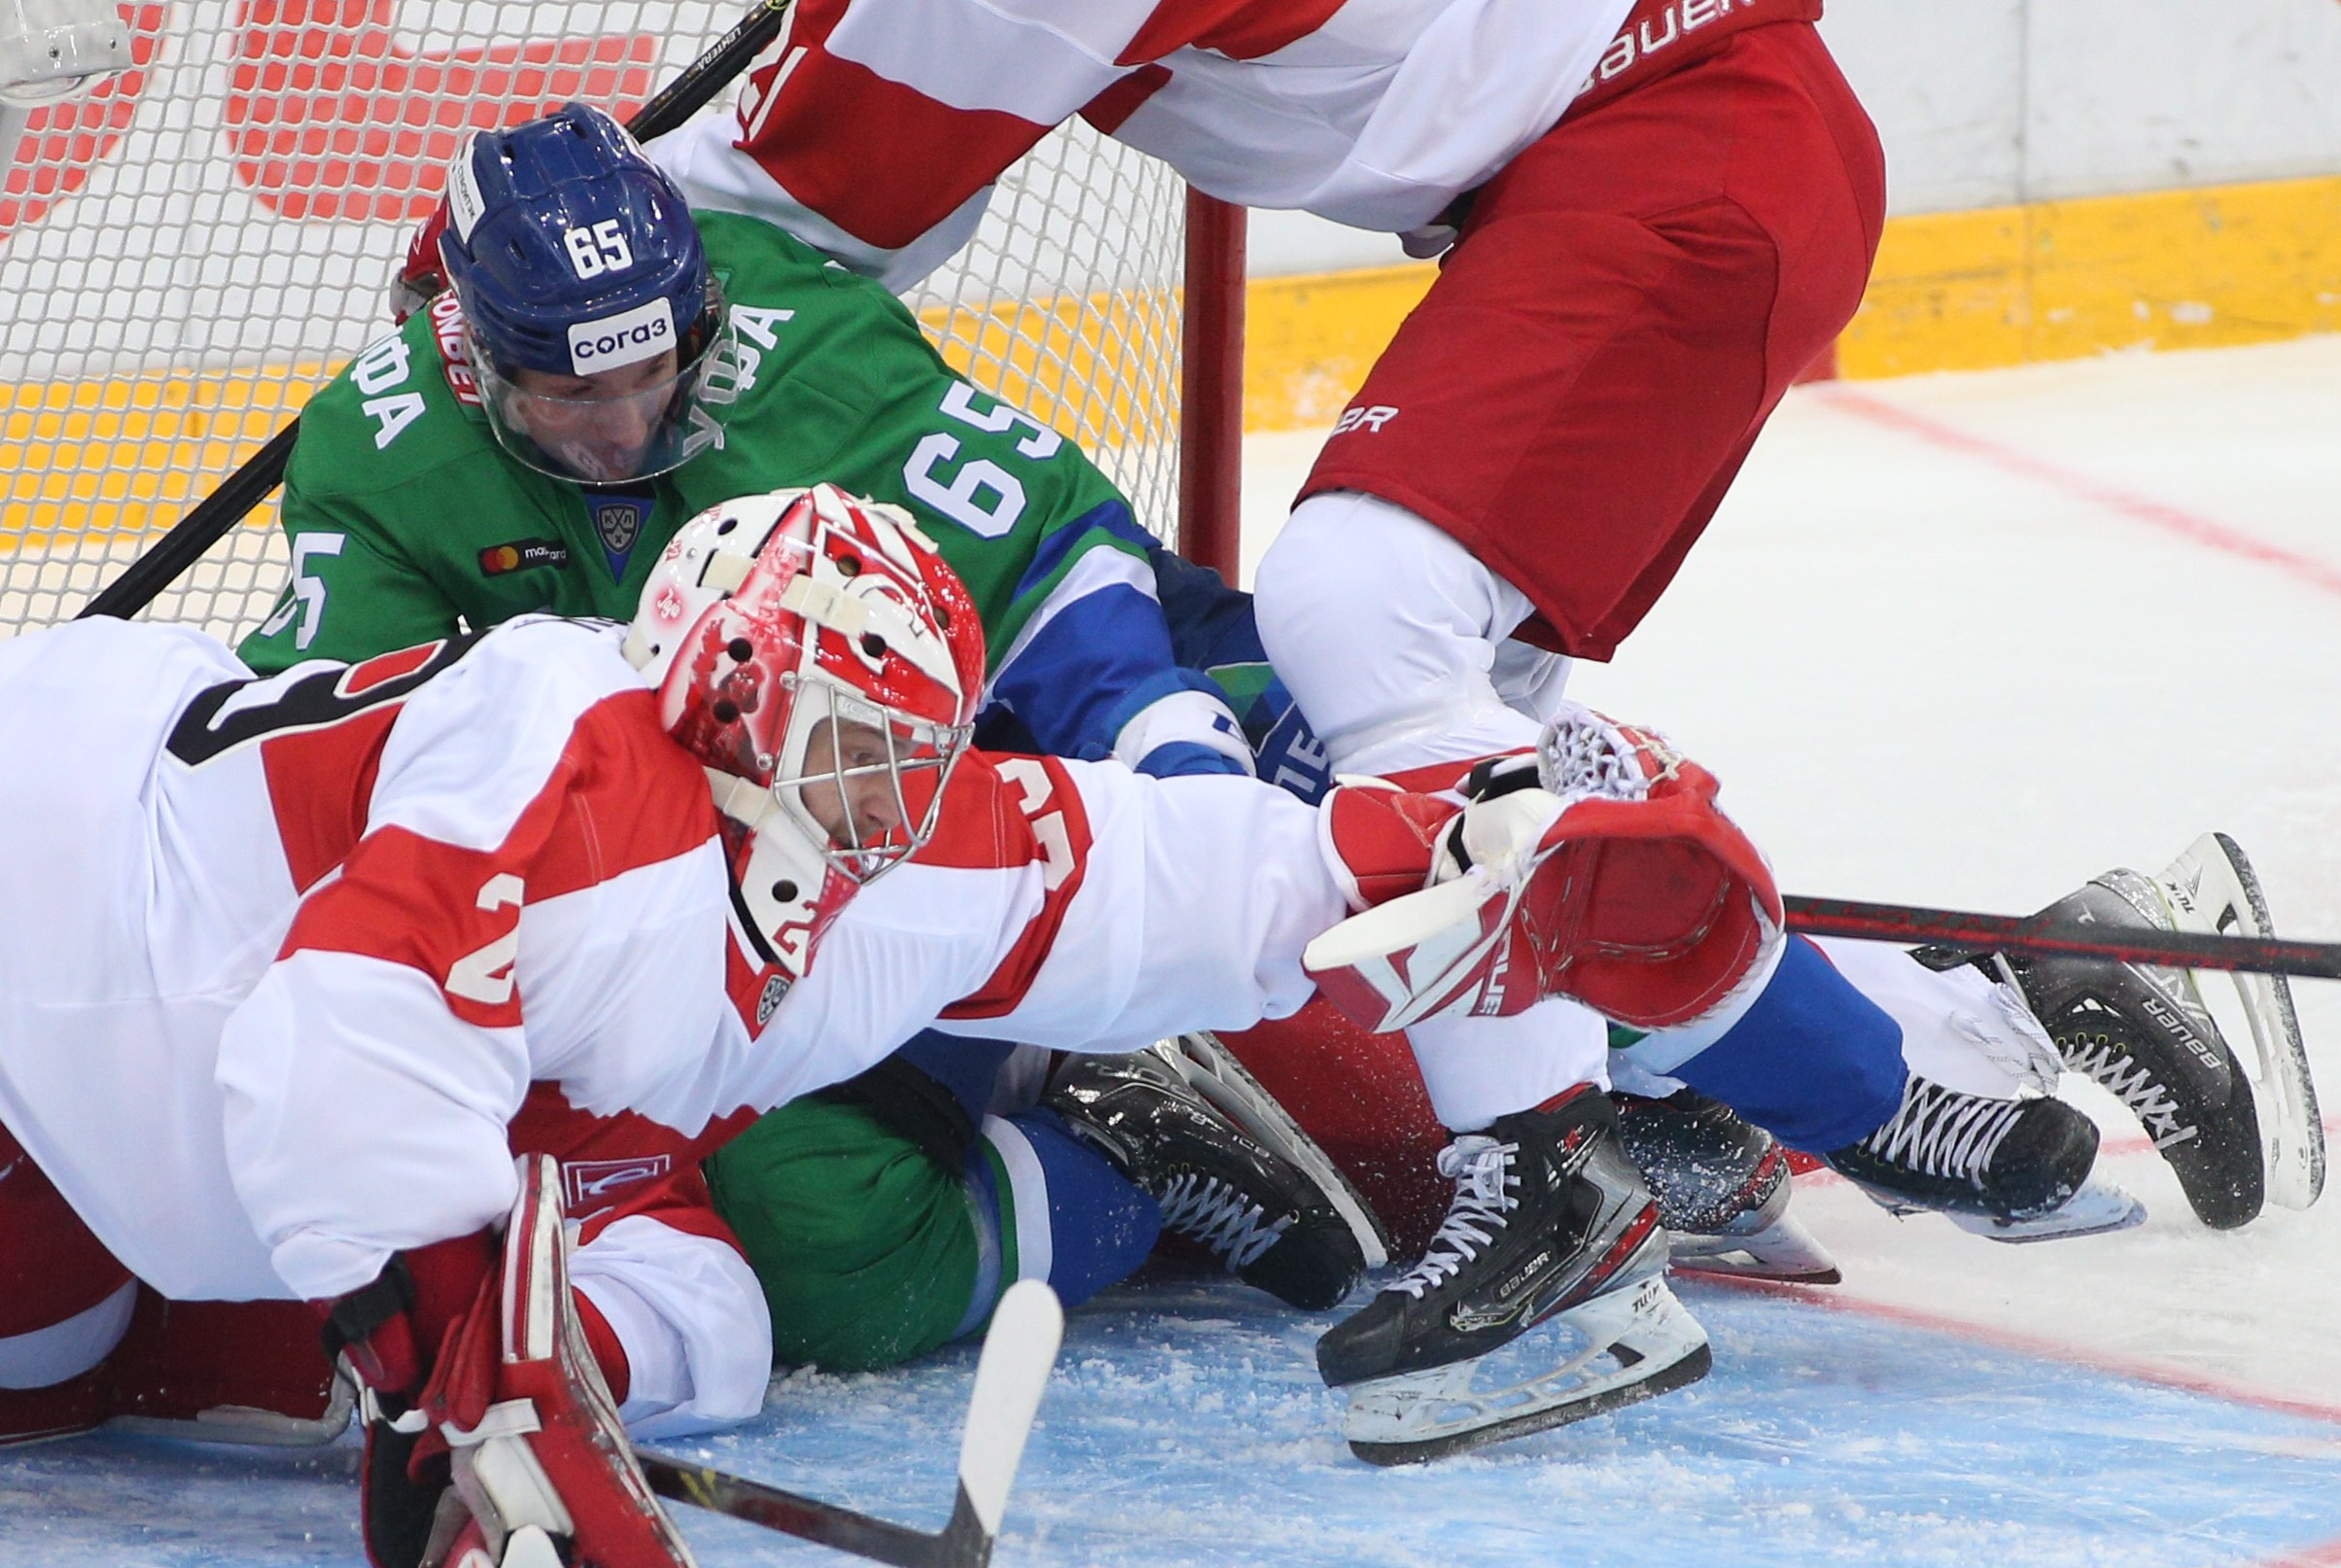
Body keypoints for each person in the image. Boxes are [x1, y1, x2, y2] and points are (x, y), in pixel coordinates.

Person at [651, 0, 2316, 1295]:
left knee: (1357, 617)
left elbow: (772, 235)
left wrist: (489, 288)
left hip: (1669, 153)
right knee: (1436, 813)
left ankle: (1544, 1185)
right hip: (1647, 158)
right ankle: (2015, 1000)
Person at [0, 481, 1812, 1568]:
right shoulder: (571, 761)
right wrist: (454, 1376)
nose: (862, 813)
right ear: (704, 685)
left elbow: (1133, 877)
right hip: (48, 899)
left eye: (897, 757)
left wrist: (1407, 857)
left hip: (159, 1127)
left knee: (47, 1367)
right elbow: (345, 1025)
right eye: (830, 745)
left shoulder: (891, 858)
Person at [246, 100, 1388, 1340]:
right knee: (818, 1246)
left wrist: (1178, 775)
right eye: (572, 392)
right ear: (469, 352)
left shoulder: (798, 342)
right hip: (722, 863)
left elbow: (1053, 566)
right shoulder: (380, 454)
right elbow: (324, 760)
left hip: (975, 759)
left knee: (1347, 767)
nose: (627, 424)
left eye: (653, 368)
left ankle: (1597, 1079)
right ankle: (1127, 1142)